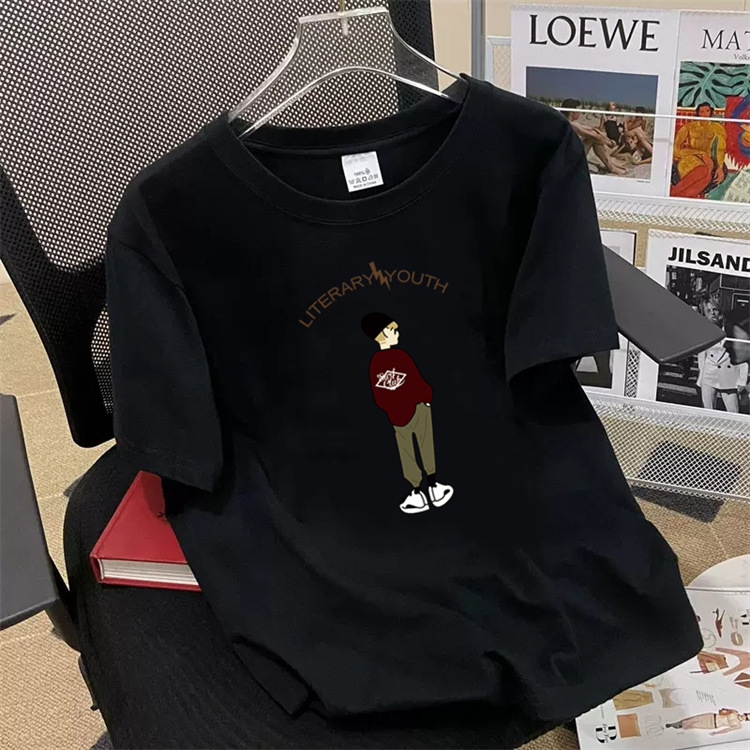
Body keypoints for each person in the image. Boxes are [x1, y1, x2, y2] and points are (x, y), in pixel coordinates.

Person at [361, 312, 454, 514]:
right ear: (381, 335)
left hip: (400, 414)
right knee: (422, 446)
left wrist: (394, 407)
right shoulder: (398, 357)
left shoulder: (377, 362)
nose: (397, 333)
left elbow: (380, 395)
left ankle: (419, 492)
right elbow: (415, 381)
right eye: (392, 330)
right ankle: (432, 489)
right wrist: (425, 397)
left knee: (408, 451)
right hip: (415, 408)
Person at [696, 300, 747, 412]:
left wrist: (742, 380)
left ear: (720, 311)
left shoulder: (732, 329)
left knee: (733, 412)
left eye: (715, 309)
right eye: (708, 311)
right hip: (709, 374)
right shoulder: (704, 331)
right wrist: (701, 378)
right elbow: (702, 357)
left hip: (729, 375)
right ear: (705, 315)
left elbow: (742, 354)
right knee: (708, 411)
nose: (712, 313)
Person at [672, 102, 727, 198]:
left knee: (708, 175)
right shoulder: (689, 127)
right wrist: (700, 153)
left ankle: (677, 194)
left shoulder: (718, 128)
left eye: (707, 111)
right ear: (698, 113)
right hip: (690, 157)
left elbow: (721, 149)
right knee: (703, 171)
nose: (705, 114)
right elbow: (675, 149)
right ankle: (675, 193)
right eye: (702, 112)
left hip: (709, 160)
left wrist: (720, 167)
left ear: (711, 112)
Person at [562, 98, 627, 175]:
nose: (580, 112)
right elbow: (592, 135)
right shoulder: (571, 124)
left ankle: (611, 165)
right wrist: (609, 143)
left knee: (594, 140)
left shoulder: (571, 122)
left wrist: (603, 136)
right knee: (591, 138)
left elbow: (592, 129)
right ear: (571, 112)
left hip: (570, 154)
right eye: (578, 110)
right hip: (569, 159)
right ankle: (611, 167)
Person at [666, 709, 750, 736]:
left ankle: (679, 726)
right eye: (746, 715)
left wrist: (716, 733)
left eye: (746, 718)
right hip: (713, 716)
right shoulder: (735, 712)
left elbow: (727, 730)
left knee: (694, 725)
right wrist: (724, 711)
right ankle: (675, 724)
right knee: (694, 719)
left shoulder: (738, 725)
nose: (744, 717)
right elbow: (723, 710)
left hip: (713, 724)